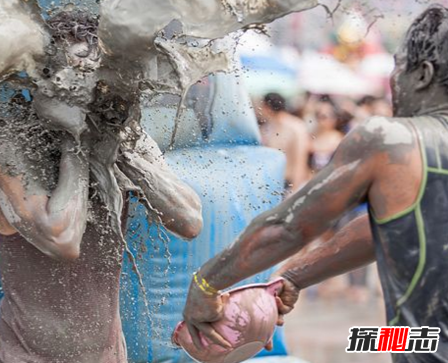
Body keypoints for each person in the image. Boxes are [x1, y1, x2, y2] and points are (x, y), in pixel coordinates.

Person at [182, 5, 448, 362]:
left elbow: (287, 228)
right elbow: (389, 230)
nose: (393, 81)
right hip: (425, 342)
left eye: (398, 67)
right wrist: (293, 276)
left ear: (423, 75)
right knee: (374, 340)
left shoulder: (394, 139)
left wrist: (205, 284)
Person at [0, 12, 203, 363]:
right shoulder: (8, 147)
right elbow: (62, 239)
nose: (88, 91)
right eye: (73, 80)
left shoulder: (125, 138)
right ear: (42, 79)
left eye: (97, 78)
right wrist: (77, 143)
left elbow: (188, 220)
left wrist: (119, 150)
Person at [258, 93, 310, 193]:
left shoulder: (296, 127)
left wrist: (294, 190)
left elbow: (300, 161)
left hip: (290, 182)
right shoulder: (268, 127)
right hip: (274, 182)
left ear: (267, 107)